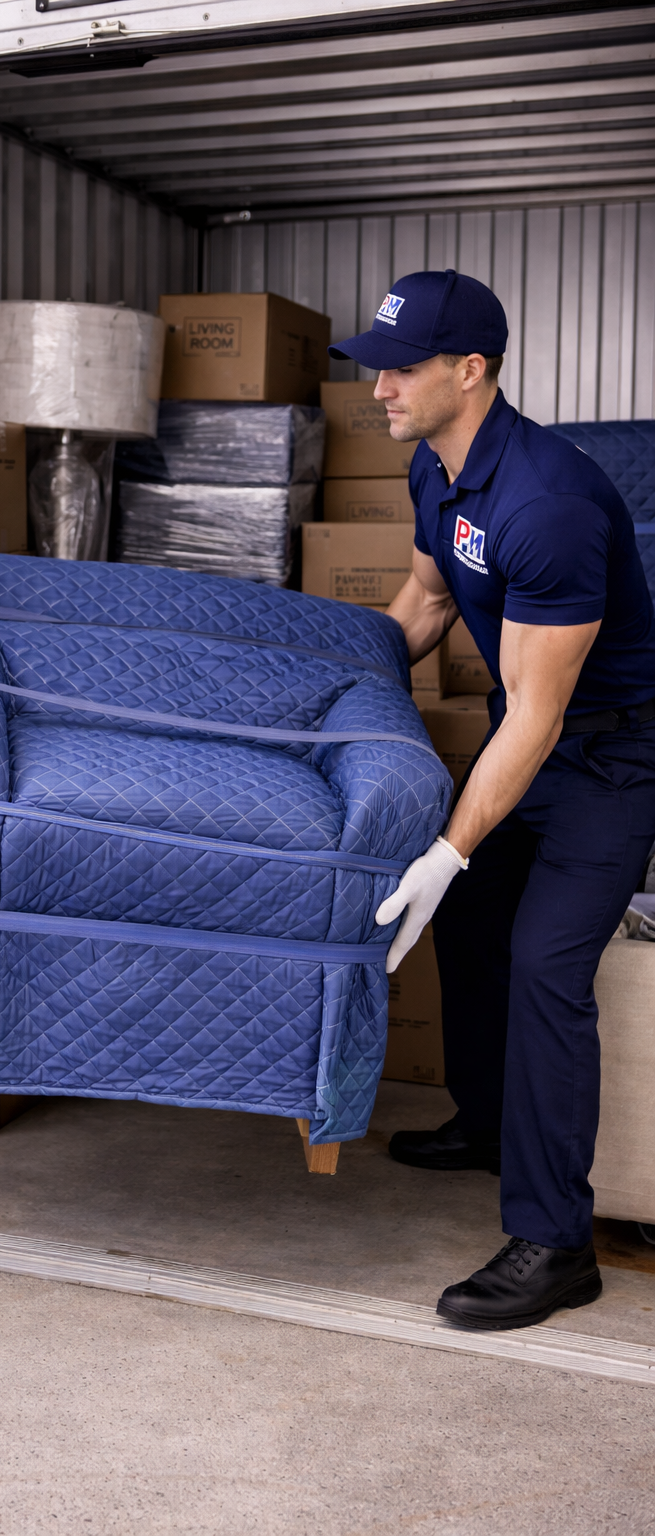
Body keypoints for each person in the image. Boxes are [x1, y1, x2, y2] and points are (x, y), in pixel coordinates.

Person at [329, 269, 655, 1331]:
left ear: (470, 372)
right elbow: (423, 602)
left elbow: (536, 715)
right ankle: (485, 1121)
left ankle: (556, 1241)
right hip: (539, 742)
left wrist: (450, 844)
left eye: (398, 369)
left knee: (545, 969)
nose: (376, 388)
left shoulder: (546, 504)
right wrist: (337, 698)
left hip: (611, 759)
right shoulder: (437, 468)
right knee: (467, 921)